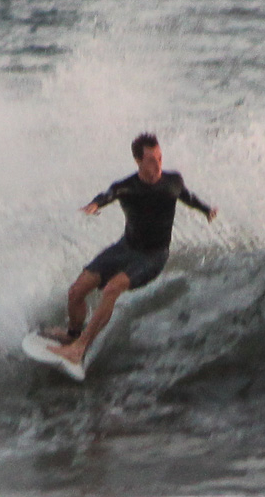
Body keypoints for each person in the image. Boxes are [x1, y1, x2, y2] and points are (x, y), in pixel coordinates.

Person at [46, 133, 218, 365]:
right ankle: (72, 335)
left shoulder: (173, 181)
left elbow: (187, 196)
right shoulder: (127, 187)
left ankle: (79, 349)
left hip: (153, 255)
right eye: (150, 160)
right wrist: (95, 204)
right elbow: (109, 195)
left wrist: (206, 210)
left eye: (159, 157)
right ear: (137, 161)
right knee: (76, 291)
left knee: (110, 289)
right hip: (125, 247)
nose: (157, 164)